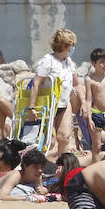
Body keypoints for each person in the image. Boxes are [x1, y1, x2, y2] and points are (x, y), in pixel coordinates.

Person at [33, 28, 79, 157]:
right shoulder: (47, 61)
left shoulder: (69, 62)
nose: (73, 48)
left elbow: (77, 84)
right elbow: (36, 83)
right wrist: (32, 107)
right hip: (48, 105)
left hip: (64, 104)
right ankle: (39, 166)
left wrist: (85, 105)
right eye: (72, 45)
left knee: (64, 137)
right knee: (50, 141)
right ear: (65, 45)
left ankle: (63, 167)